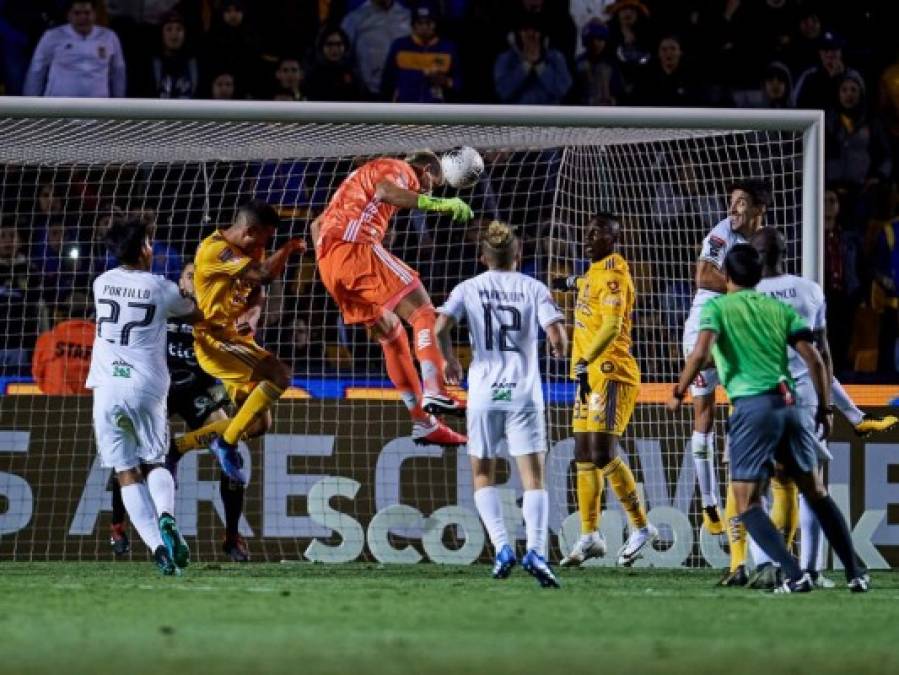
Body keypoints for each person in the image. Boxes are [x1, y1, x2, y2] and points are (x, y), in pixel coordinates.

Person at [668, 244, 869, 593]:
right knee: (816, 492)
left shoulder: (718, 307)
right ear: (759, 276)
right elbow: (816, 360)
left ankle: (793, 573)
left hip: (752, 408)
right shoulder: (779, 309)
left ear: (726, 277)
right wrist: (824, 408)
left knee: (747, 502)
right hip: (790, 407)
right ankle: (855, 572)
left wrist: (678, 391)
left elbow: (700, 353)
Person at [732, 227, 898, 589]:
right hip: (806, 396)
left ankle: (773, 567)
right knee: (813, 485)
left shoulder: (745, 295)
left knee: (757, 488)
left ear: (755, 257)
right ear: (785, 253)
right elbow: (821, 354)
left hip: (762, 398)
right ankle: (813, 568)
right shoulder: (809, 290)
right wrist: (829, 407)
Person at [435, 221, 568, 587]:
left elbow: (439, 327)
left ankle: (502, 547)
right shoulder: (533, 287)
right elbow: (557, 336)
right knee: (534, 479)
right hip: (524, 392)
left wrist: (449, 361)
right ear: (518, 255)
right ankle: (537, 550)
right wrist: (559, 348)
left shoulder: (469, 287)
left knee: (482, 475)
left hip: (484, 393)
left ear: (483, 257)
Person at [313, 151, 473, 447]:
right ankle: (436, 389)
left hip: (329, 264)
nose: (424, 191)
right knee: (424, 312)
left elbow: (316, 227)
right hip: (354, 248)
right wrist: (438, 203)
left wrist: (335, 273)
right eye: (431, 186)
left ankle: (424, 423)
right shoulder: (400, 169)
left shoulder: (354, 183)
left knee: (391, 335)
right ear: (425, 171)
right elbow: (388, 192)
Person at [110, 263, 256, 562]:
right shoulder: (162, 303)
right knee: (130, 454)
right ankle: (117, 525)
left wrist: (218, 394)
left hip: (197, 393)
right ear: (181, 280)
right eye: (190, 275)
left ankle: (231, 536)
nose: (195, 280)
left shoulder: (215, 311)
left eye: (201, 276)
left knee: (230, 452)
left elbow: (230, 367)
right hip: (158, 390)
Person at [86, 215, 199, 576]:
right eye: (150, 242)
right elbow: (198, 313)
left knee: (125, 472)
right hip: (146, 386)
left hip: (106, 388)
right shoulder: (160, 289)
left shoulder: (101, 284)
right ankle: (167, 517)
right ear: (143, 249)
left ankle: (157, 549)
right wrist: (193, 284)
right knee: (156, 462)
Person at [552, 213, 658, 567]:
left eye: (598, 233)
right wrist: (569, 281)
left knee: (600, 452)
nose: (588, 238)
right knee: (583, 454)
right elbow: (586, 283)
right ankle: (590, 535)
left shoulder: (614, 275)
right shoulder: (594, 271)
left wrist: (587, 359)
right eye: (588, 232)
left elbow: (612, 326)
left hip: (610, 370)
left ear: (614, 238)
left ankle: (641, 527)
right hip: (588, 375)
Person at [189, 200, 306, 486]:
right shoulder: (215, 250)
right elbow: (264, 274)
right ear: (251, 231)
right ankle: (226, 444)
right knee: (281, 375)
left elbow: (257, 291)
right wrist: (289, 248)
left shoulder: (252, 248)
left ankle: (177, 449)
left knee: (257, 425)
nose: (267, 243)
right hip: (214, 341)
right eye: (266, 236)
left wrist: (253, 314)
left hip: (238, 339)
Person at [682, 180, 770, 537]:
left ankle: (741, 496)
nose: (733, 209)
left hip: (739, 328)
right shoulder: (721, 233)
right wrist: (742, 287)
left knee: (745, 403)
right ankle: (709, 504)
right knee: (704, 413)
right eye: (731, 201)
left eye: (741, 203)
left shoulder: (766, 242)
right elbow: (703, 274)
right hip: (705, 328)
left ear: (759, 209)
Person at [23, 0, 126, 98]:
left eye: (87, 13)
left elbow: (118, 72)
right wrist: (30, 104)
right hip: (58, 108)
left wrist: (119, 102)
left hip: (97, 109)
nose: (83, 17)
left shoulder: (109, 37)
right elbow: (37, 70)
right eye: (77, 13)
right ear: (69, 15)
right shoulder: (52, 36)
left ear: (94, 14)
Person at [381, 4, 461, 103]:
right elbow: (387, 82)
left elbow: (459, 83)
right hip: (404, 109)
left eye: (428, 23)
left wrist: (445, 81)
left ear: (435, 24)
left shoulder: (447, 48)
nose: (424, 27)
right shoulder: (400, 46)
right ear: (413, 25)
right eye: (420, 23)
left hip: (436, 110)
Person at [494, 15, 572, 105]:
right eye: (525, 31)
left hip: (548, 115)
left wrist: (540, 66)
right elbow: (502, 91)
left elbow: (562, 90)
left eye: (535, 32)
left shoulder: (556, 57)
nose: (530, 36)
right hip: (516, 116)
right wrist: (525, 66)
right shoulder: (505, 58)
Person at [341, 0, 411, 98]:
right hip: (367, 92)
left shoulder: (408, 16)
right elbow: (344, 55)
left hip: (403, 90)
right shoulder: (354, 19)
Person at [32, 291, 94, 396]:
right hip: (90, 404)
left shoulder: (48, 339)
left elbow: (38, 373)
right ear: (90, 313)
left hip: (54, 403)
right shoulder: (101, 340)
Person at [147, 12, 198, 99]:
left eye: (179, 29)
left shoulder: (193, 63)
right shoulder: (152, 63)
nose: (174, 35)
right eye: (169, 29)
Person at [305, 27, 361, 102]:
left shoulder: (352, 73)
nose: (334, 49)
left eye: (338, 44)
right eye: (329, 44)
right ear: (321, 47)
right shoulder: (313, 74)